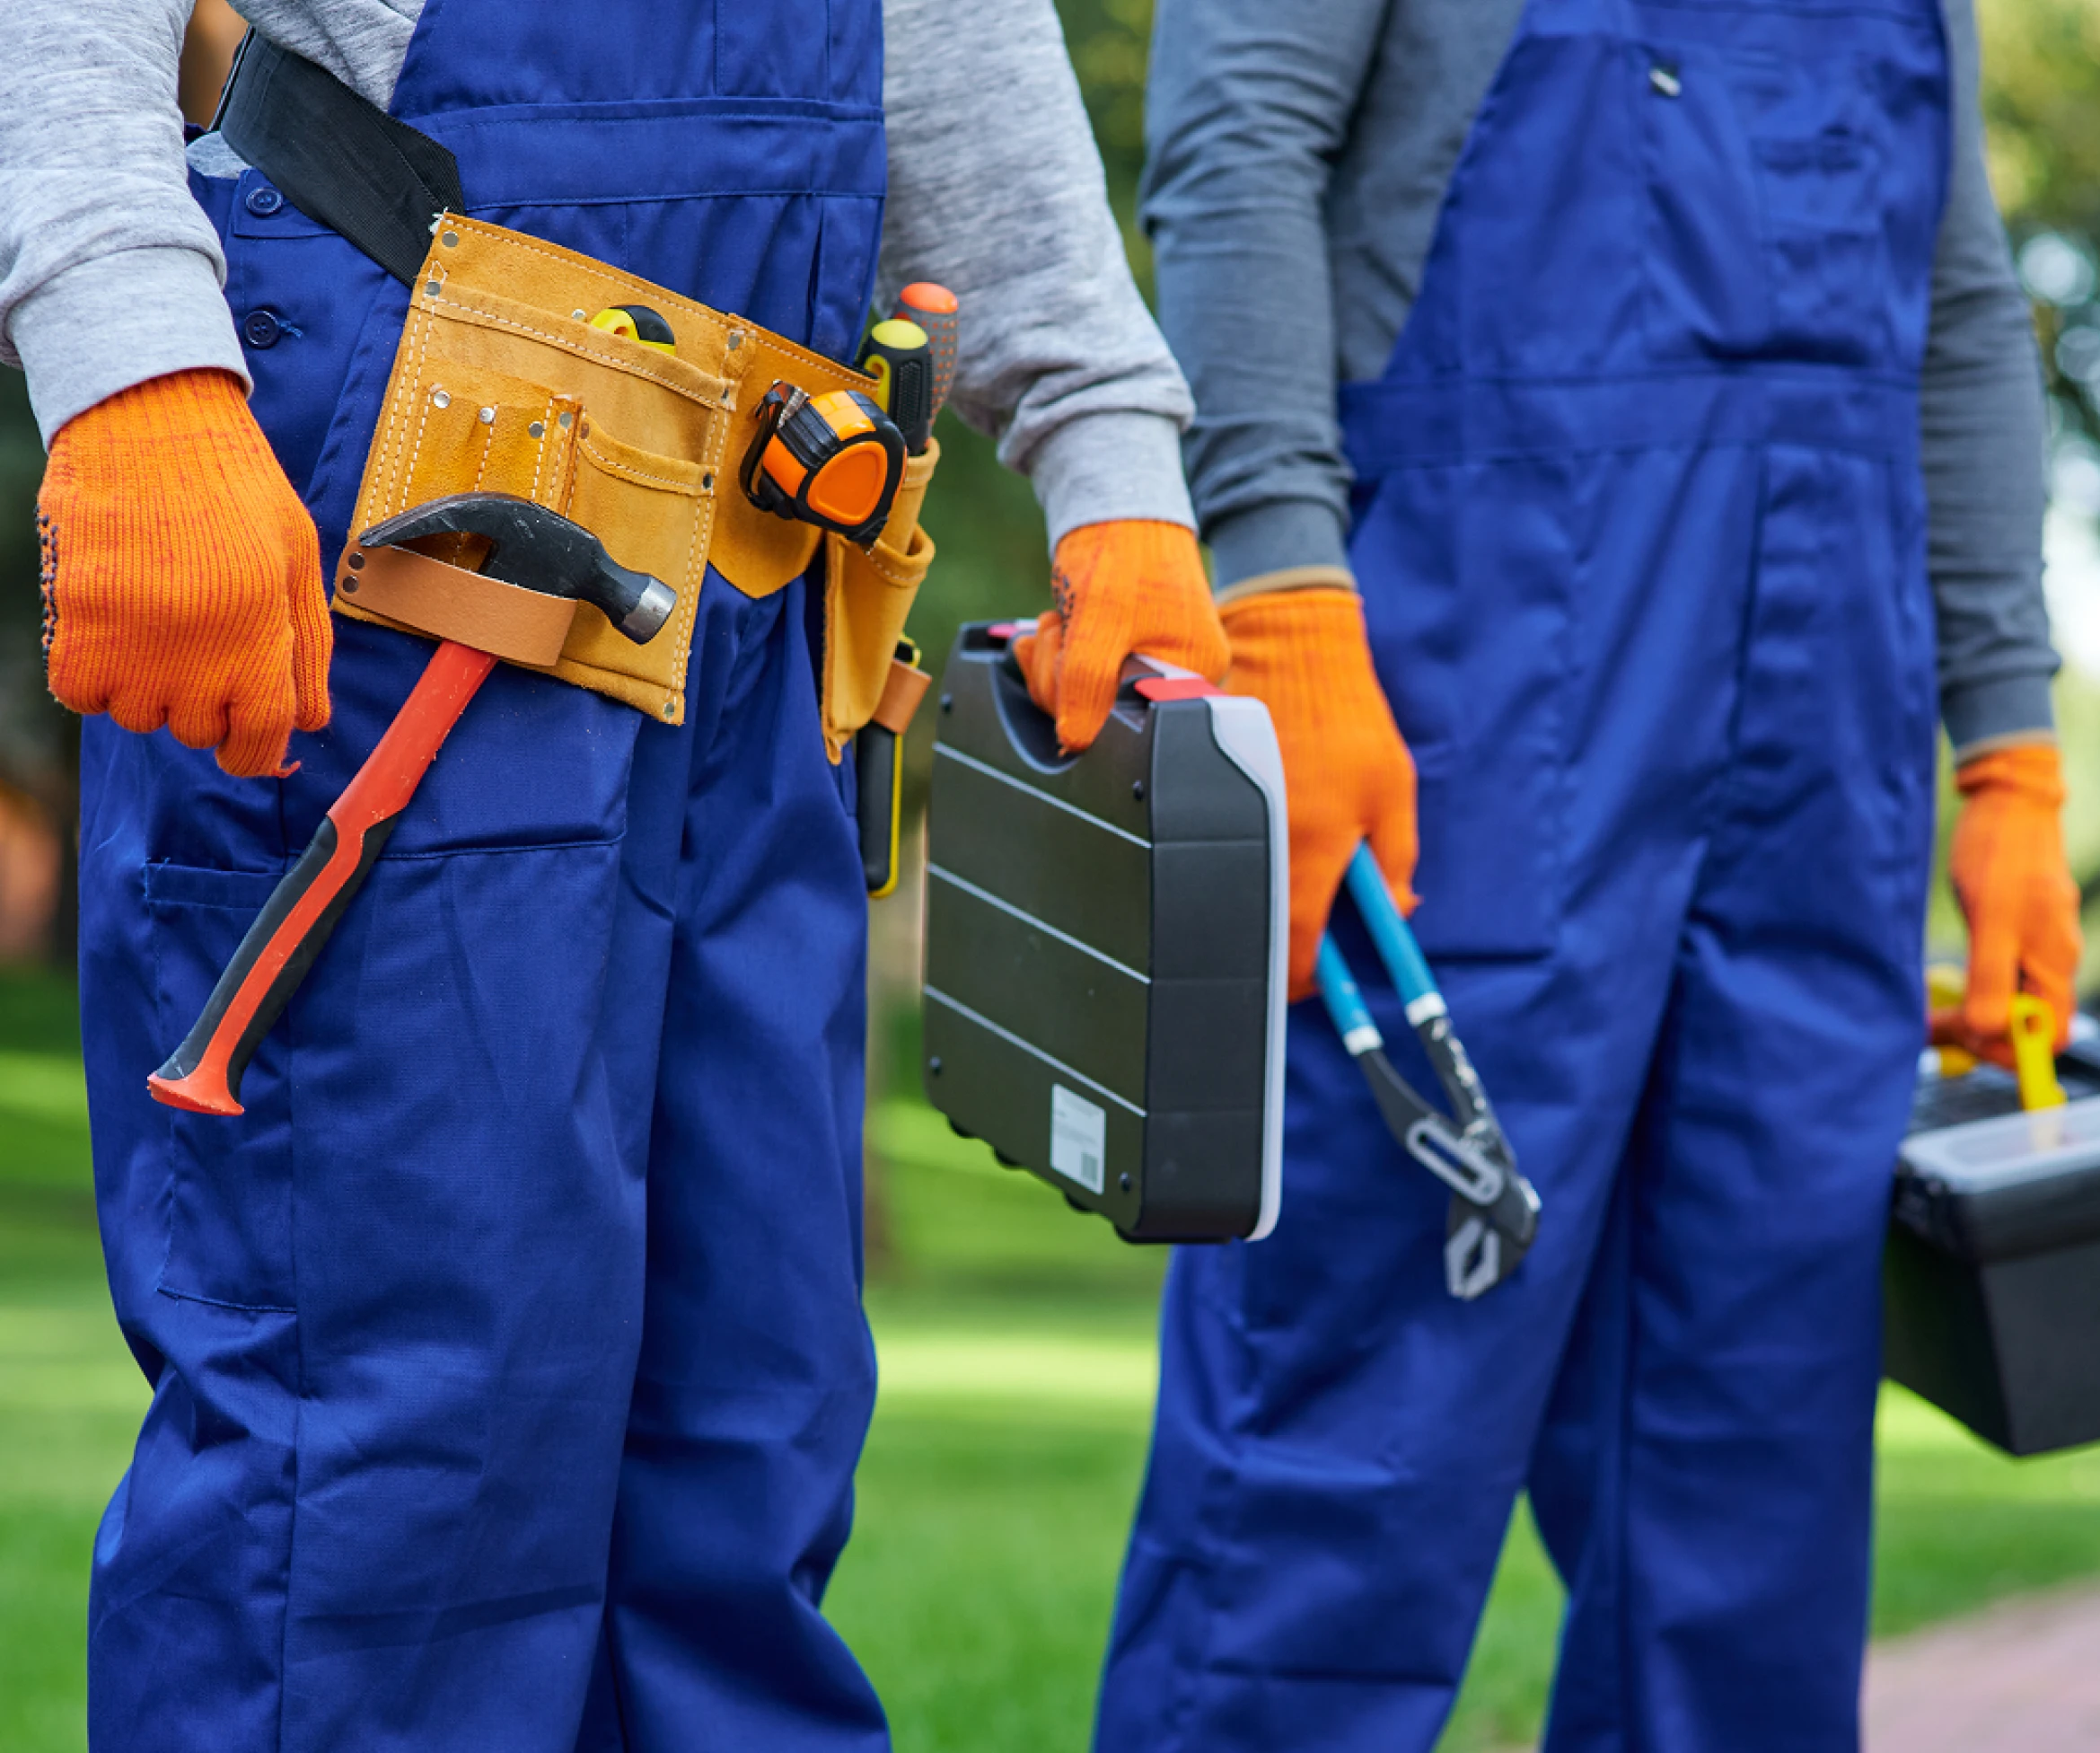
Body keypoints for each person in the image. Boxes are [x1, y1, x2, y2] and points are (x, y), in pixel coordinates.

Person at [0, 1, 1226, 1744]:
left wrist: (1110, 459)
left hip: (756, 590)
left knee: (742, 1461)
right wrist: (129, 365)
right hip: (410, 533)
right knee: (373, 1489)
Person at [1094, 0, 2082, 1747]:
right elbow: (1235, 142)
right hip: (1462, 708)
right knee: (1340, 1453)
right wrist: (1279, 589)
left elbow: (1968, 305)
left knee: (1753, 1496)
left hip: (1826, 761)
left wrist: (2011, 751)